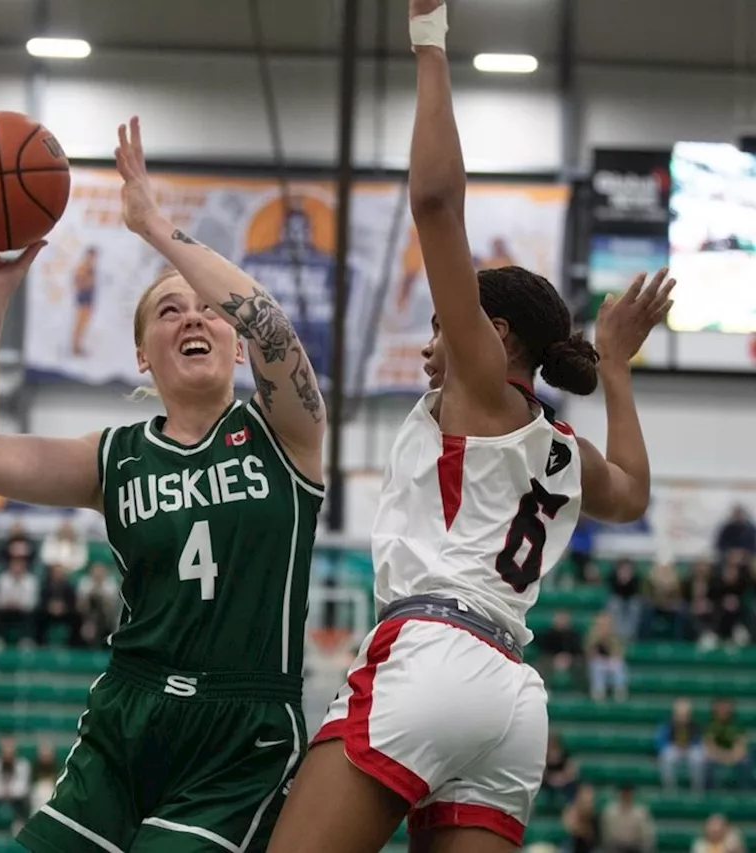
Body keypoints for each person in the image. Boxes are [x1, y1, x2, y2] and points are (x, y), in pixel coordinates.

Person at [269, 4, 669, 852]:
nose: (429, 340)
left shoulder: (484, 390)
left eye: (444, 323)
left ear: (496, 338)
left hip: (434, 656)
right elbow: (631, 495)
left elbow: (436, 202)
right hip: (513, 700)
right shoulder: (562, 446)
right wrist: (619, 371)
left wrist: (430, 41)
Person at [0, 107, 326, 851]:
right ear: (144, 355)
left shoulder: (285, 434)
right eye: (169, 310)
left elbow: (271, 323)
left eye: (209, 311)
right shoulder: (114, 455)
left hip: (239, 732)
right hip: (128, 713)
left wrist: (156, 229)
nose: (194, 316)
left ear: (234, 344)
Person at [657, 697, 707, 793]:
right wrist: (673, 746)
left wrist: (689, 746)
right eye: (680, 714)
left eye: (685, 715)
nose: (682, 718)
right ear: (674, 714)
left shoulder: (694, 726)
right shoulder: (668, 726)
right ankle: (669, 788)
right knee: (666, 757)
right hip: (674, 749)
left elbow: (700, 743)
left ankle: (697, 788)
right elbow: (660, 743)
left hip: (690, 750)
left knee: (698, 757)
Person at [586, 611, 630, 703]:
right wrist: (597, 638)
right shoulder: (591, 635)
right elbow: (589, 653)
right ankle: (598, 691)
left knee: (618, 664)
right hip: (598, 662)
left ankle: (619, 690)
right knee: (596, 664)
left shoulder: (615, 635)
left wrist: (608, 640)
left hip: (611, 661)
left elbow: (619, 652)